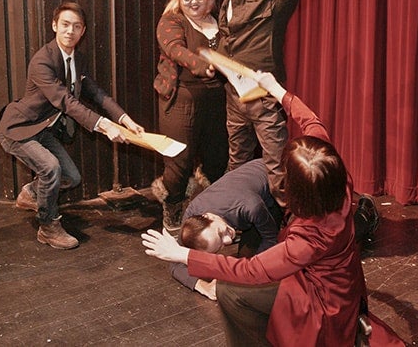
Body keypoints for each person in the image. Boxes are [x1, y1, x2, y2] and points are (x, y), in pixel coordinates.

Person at [142, 71, 403, 347]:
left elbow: (252, 270)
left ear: (298, 191)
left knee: (231, 292)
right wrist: (275, 89)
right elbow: (311, 121)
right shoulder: (334, 176)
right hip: (341, 279)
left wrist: (183, 254)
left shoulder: (311, 238)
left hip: (322, 300)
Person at [218, 0, 354, 205]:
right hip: (234, 96)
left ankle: (293, 229)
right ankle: (240, 222)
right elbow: (225, 44)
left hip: (265, 94)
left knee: (279, 172)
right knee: (236, 168)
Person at [0, 1, 144, 250]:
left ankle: (32, 194)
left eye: (76, 26)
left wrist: (123, 119)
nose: (70, 31)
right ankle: (48, 227)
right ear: (55, 25)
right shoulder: (42, 61)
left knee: (71, 177)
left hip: (42, 129)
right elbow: (65, 101)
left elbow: (95, 93)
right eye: (65, 24)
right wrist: (104, 126)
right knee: (51, 168)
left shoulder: (77, 59)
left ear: (83, 31)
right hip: (18, 129)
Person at [152, 0, 228, 233]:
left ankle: (209, 211)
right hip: (181, 100)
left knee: (217, 159)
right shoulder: (171, 20)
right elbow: (175, 49)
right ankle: (172, 212)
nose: (193, 1)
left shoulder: (218, 22)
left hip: (217, 102)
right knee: (179, 162)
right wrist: (200, 64)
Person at [171, 158, 283, 300]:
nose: (228, 240)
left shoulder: (249, 206)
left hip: (276, 181)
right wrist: (203, 286)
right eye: (221, 246)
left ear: (209, 216)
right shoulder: (192, 217)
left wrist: (251, 270)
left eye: (220, 233)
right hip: (247, 213)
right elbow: (175, 264)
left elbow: (271, 239)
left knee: (252, 269)